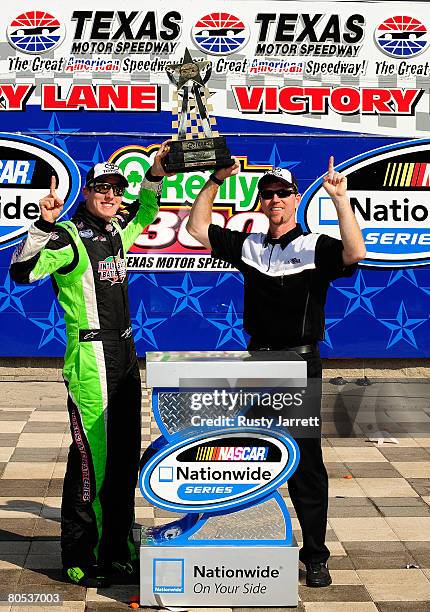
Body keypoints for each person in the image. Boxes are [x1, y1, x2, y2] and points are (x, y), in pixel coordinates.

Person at [186, 157, 366, 588]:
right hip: (258, 363)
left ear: (295, 198)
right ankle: (249, 545)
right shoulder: (251, 246)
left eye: (282, 193)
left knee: (305, 463)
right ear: (261, 202)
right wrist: (214, 180)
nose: (275, 200)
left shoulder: (316, 246)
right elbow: (196, 229)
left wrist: (341, 200)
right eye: (267, 194)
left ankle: (316, 555)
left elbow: (355, 252)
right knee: (252, 457)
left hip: (299, 364)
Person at [9, 144, 172, 587]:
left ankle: (117, 548)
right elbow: (23, 273)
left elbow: (146, 209)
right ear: (87, 193)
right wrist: (42, 224)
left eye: (116, 189)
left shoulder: (117, 229)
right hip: (90, 359)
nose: (110, 195)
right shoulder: (67, 235)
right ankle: (80, 554)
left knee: (123, 462)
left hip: (124, 356)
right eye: (102, 188)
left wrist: (154, 175)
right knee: (91, 463)